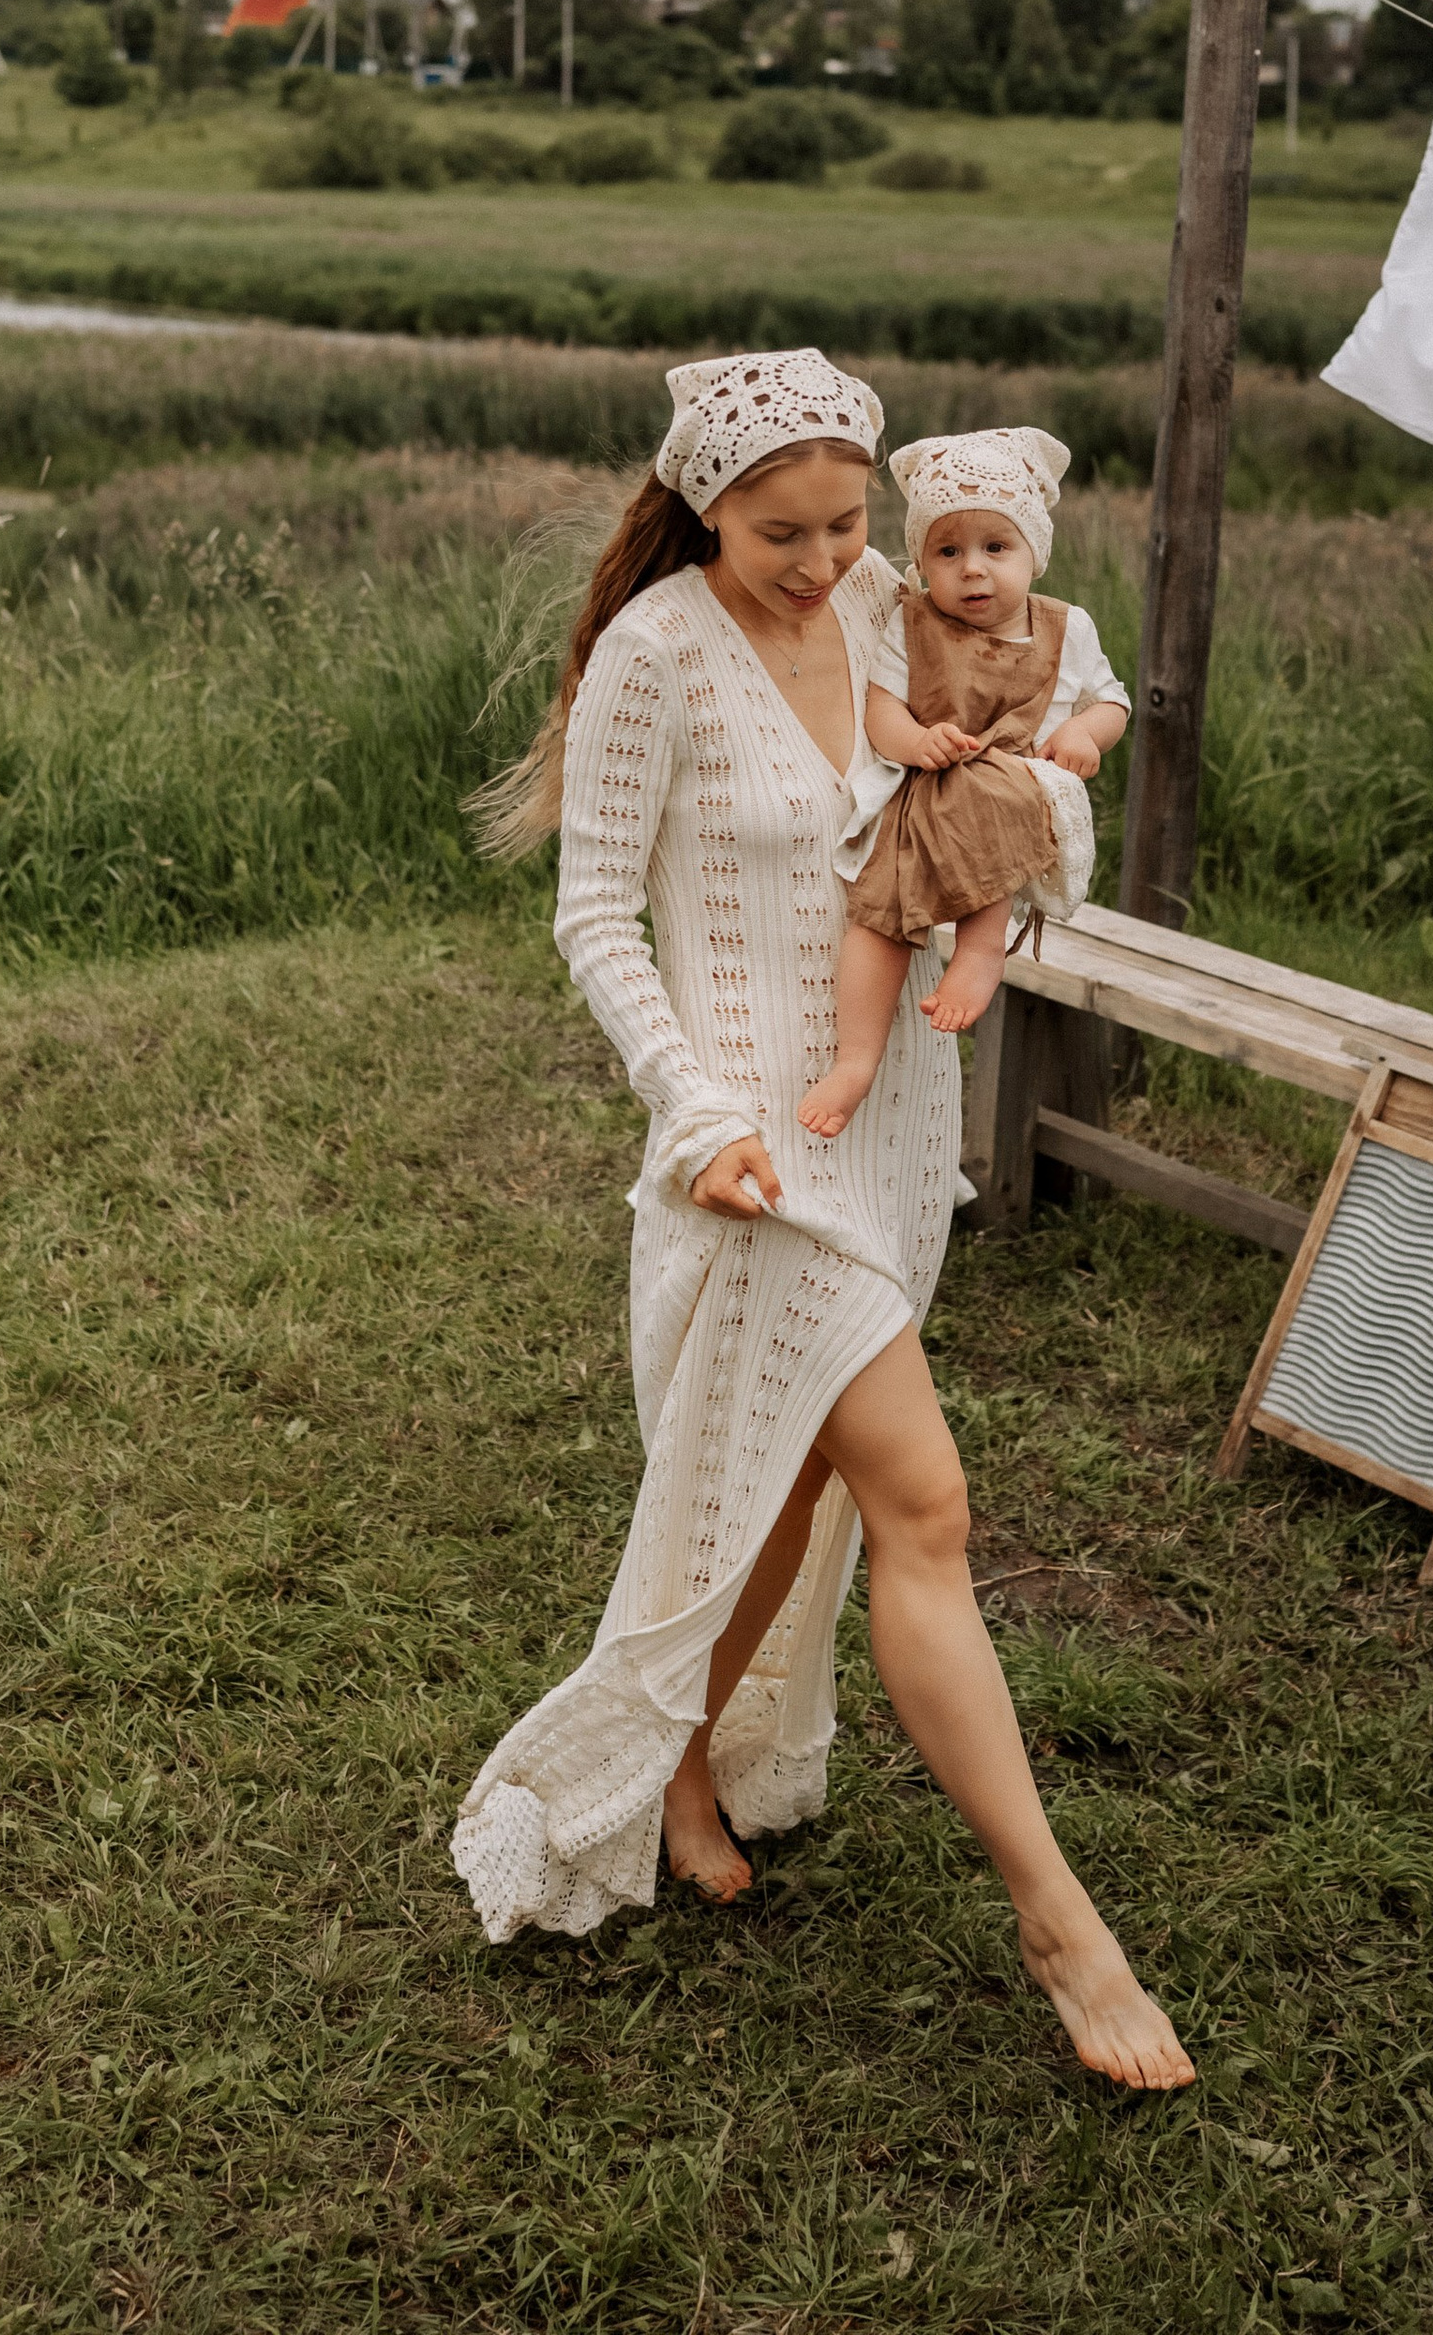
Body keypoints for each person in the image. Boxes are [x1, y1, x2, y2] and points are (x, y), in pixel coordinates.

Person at [453, 349, 1193, 2090]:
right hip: (755, 1161)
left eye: (848, 524)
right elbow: (594, 918)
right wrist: (696, 1113)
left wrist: (1046, 784)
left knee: (786, 1492)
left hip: (893, 1127)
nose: (821, 562)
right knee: (926, 1502)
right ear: (704, 506)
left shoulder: (888, 606)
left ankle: (686, 1763)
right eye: (781, 532)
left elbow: (1026, 751)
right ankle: (1061, 1927)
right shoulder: (653, 655)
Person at [800, 427, 1128, 1142]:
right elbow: (881, 707)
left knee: (1000, 806)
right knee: (879, 913)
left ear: (1034, 552)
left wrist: (1084, 733)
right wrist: (916, 742)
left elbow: (1112, 701)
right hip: (928, 789)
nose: (973, 570)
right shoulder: (911, 623)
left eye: (996, 548)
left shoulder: (1067, 628)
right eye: (947, 553)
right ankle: (855, 1061)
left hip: (1012, 786)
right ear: (921, 564)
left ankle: (981, 952)